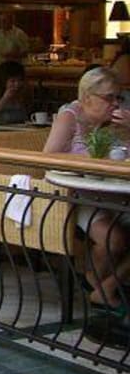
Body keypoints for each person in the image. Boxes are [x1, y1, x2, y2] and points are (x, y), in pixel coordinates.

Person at [44, 67, 130, 310]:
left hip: (115, 192)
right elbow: (48, 157)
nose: (114, 104)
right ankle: (95, 280)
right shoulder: (70, 116)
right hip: (76, 193)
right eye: (108, 98)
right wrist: (90, 161)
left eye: (118, 97)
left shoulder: (117, 123)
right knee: (114, 240)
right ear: (86, 96)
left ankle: (105, 287)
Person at [0, 61, 31, 128]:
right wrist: (4, 99)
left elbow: (25, 118)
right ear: (4, 81)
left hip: (18, 131)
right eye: (13, 81)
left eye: (19, 80)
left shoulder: (20, 94)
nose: (17, 84)